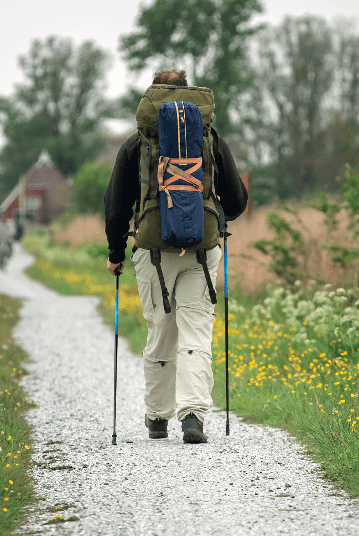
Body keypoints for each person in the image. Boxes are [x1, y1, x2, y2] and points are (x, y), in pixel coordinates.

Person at [104, 69, 248, 444]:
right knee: (197, 333)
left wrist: (115, 252)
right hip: (203, 249)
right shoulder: (210, 140)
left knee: (161, 332)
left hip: (153, 251)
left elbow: (116, 205)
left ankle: (157, 417)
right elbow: (236, 202)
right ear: (189, 96)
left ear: (153, 96)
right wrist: (212, 213)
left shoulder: (137, 144)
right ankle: (193, 417)